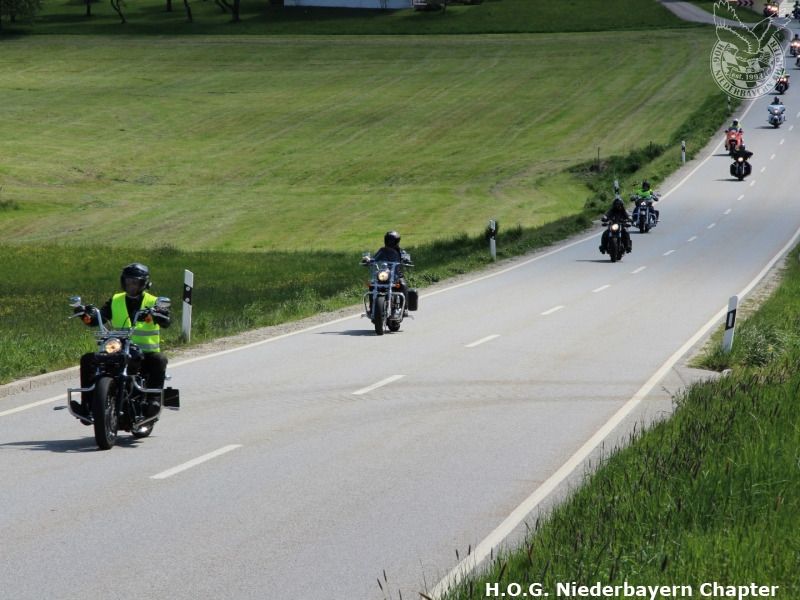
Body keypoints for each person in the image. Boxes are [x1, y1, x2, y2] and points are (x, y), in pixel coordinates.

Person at [72, 263, 171, 422]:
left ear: (144, 283)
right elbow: (99, 318)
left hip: (145, 352)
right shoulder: (116, 300)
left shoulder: (153, 302)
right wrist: (85, 315)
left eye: (135, 282)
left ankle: (154, 401)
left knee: (160, 359)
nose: (131, 285)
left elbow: (166, 321)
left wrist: (159, 314)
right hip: (119, 348)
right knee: (88, 359)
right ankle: (87, 405)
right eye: (128, 281)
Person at [367, 230, 411, 314]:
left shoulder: (401, 251)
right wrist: (369, 260)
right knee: (372, 285)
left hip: (396, 275)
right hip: (384, 274)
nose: (390, 242)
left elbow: (406, 258)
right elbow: (375, 258)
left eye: (392, 240)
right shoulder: (382, 251)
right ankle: (372, 308)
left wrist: (406, 260)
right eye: (389, 240)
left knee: (403, 285)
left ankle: (404, 308)